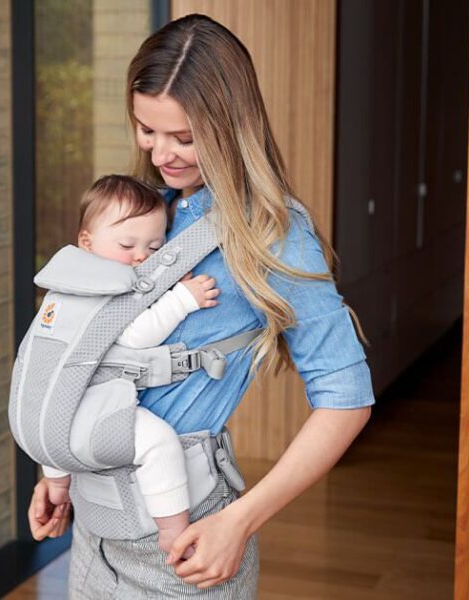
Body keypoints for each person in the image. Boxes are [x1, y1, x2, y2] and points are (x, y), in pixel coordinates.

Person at [28, 13, 374, 598]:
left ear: (231, 126)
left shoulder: (274, 233)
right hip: (94, 526)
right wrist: (62, 467)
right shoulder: (145, 213)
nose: (162, 152)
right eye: (147, 129)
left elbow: (347, 400)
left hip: (185, 540)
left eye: (184, 138)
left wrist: (240, 521)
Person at [39, 174, 219, 557]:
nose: (142, 256)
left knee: (53, 425)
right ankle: (172, 529)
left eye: (155, 246)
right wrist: (181, 299)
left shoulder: (66, 280)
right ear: (86, 242)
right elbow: (134, 336)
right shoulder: (102, 285)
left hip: (51, 410)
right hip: (90, 405)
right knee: (159, 443)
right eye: (127, 245)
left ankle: (56, 487)